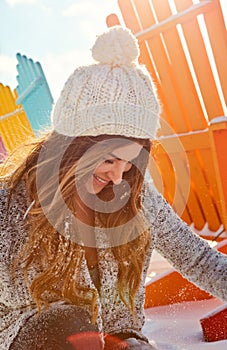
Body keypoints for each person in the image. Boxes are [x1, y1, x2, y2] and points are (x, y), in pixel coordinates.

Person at [0, 26, 226, 350]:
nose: (119, 177)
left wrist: (124, 340)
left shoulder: (135, 196)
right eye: (108, 160)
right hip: (34, 340)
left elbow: (199, 260)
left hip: (118, 342)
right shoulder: (11, 204)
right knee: (67, 323)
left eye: (130, 163)